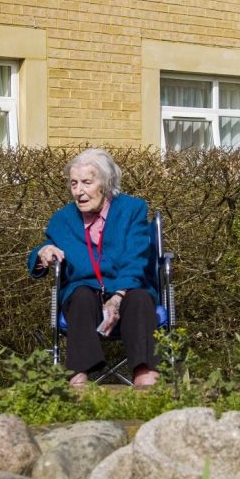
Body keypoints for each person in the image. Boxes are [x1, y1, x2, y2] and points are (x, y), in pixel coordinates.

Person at [29, 148, 160, 388]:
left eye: (87, 182)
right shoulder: (63, 219)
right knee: (79, 297)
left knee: (140, 298)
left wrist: (118, 296)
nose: (79, 191)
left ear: (106, 184)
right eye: (74, 183)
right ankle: (79, 374)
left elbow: (136, 255)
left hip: (127, 286)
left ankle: (144, 372)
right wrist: (43, 252)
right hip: (85, 289)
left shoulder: (132, 210)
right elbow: (48, 244)